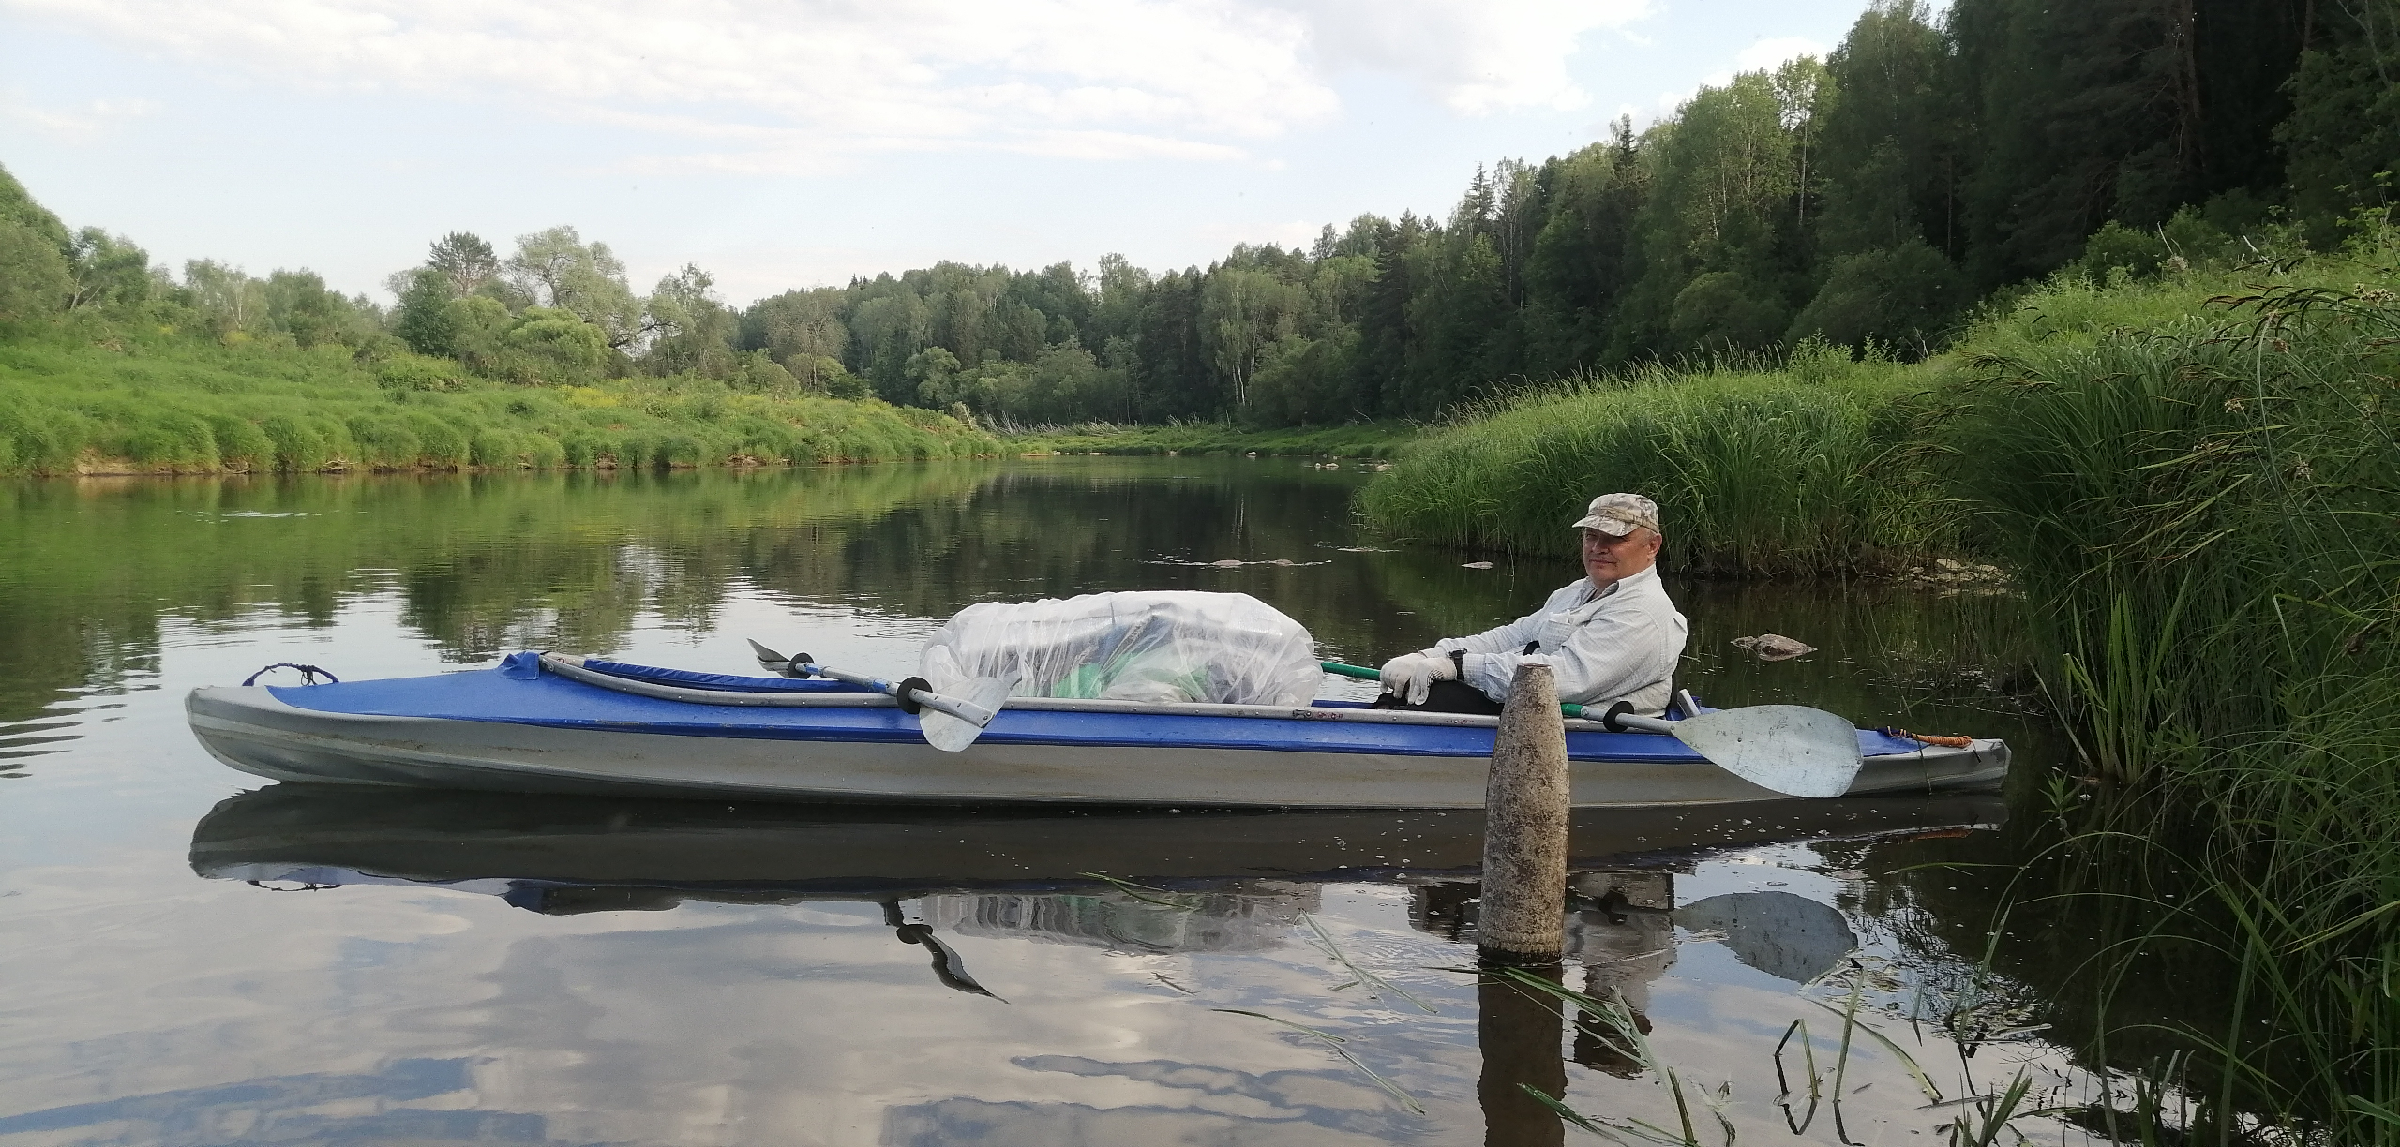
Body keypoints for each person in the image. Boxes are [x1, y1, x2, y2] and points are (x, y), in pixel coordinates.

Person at [1376, 492, 1688, 716]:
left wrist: (1457, 666)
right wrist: (1433, 654)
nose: (1597, 548)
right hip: (1534, 711)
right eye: (1590, 536)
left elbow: (1565, 677)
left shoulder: (1644, 611)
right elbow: (1512, 637)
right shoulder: (1578, 590)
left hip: (1580, 728)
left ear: (1652, 546)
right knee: (1411, 694)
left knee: (1439, 696)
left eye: (1614, 539)